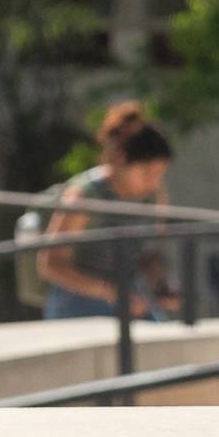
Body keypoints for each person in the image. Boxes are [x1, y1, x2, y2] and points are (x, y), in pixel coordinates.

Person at [35, 101, 181, 321]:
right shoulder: (86, 195)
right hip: (79, 301)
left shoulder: (154, 196)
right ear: (122, 160)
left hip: (129, 298)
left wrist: (164, 284)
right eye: (147, 173)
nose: (154, 182)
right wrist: (108, 292)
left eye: (159, 174)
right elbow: (51, 265)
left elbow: (147, 253)